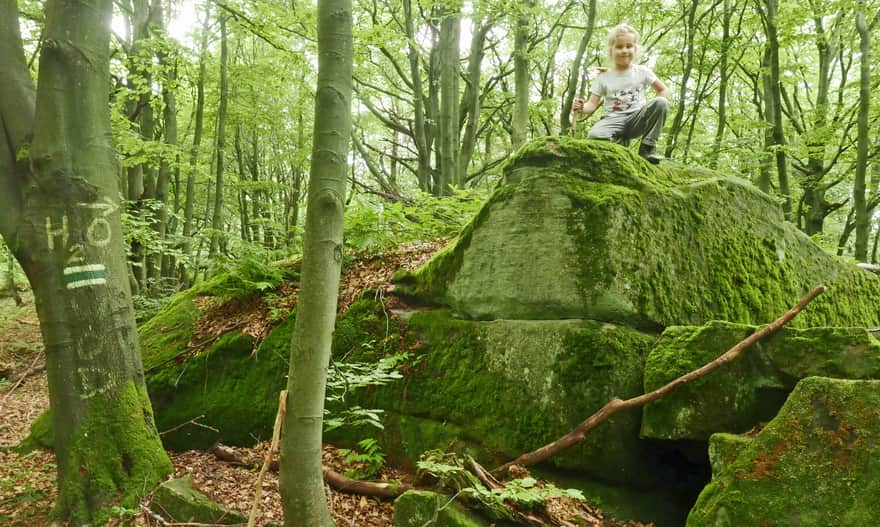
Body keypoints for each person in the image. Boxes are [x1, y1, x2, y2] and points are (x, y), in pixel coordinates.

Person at [572, 24, 669, 164]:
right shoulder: (603, 78)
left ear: (635, 49)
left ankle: (647, 148)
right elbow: (592, 105)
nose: (624, 50)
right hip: (613, 120)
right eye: (619, 47)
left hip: (637, 118)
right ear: (611, 51)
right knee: (594, 136)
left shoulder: (642, 72)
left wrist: (656, 111)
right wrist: (581, 107)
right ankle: (619, 143)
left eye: (629, 46)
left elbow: (663, 90)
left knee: (661, 102)